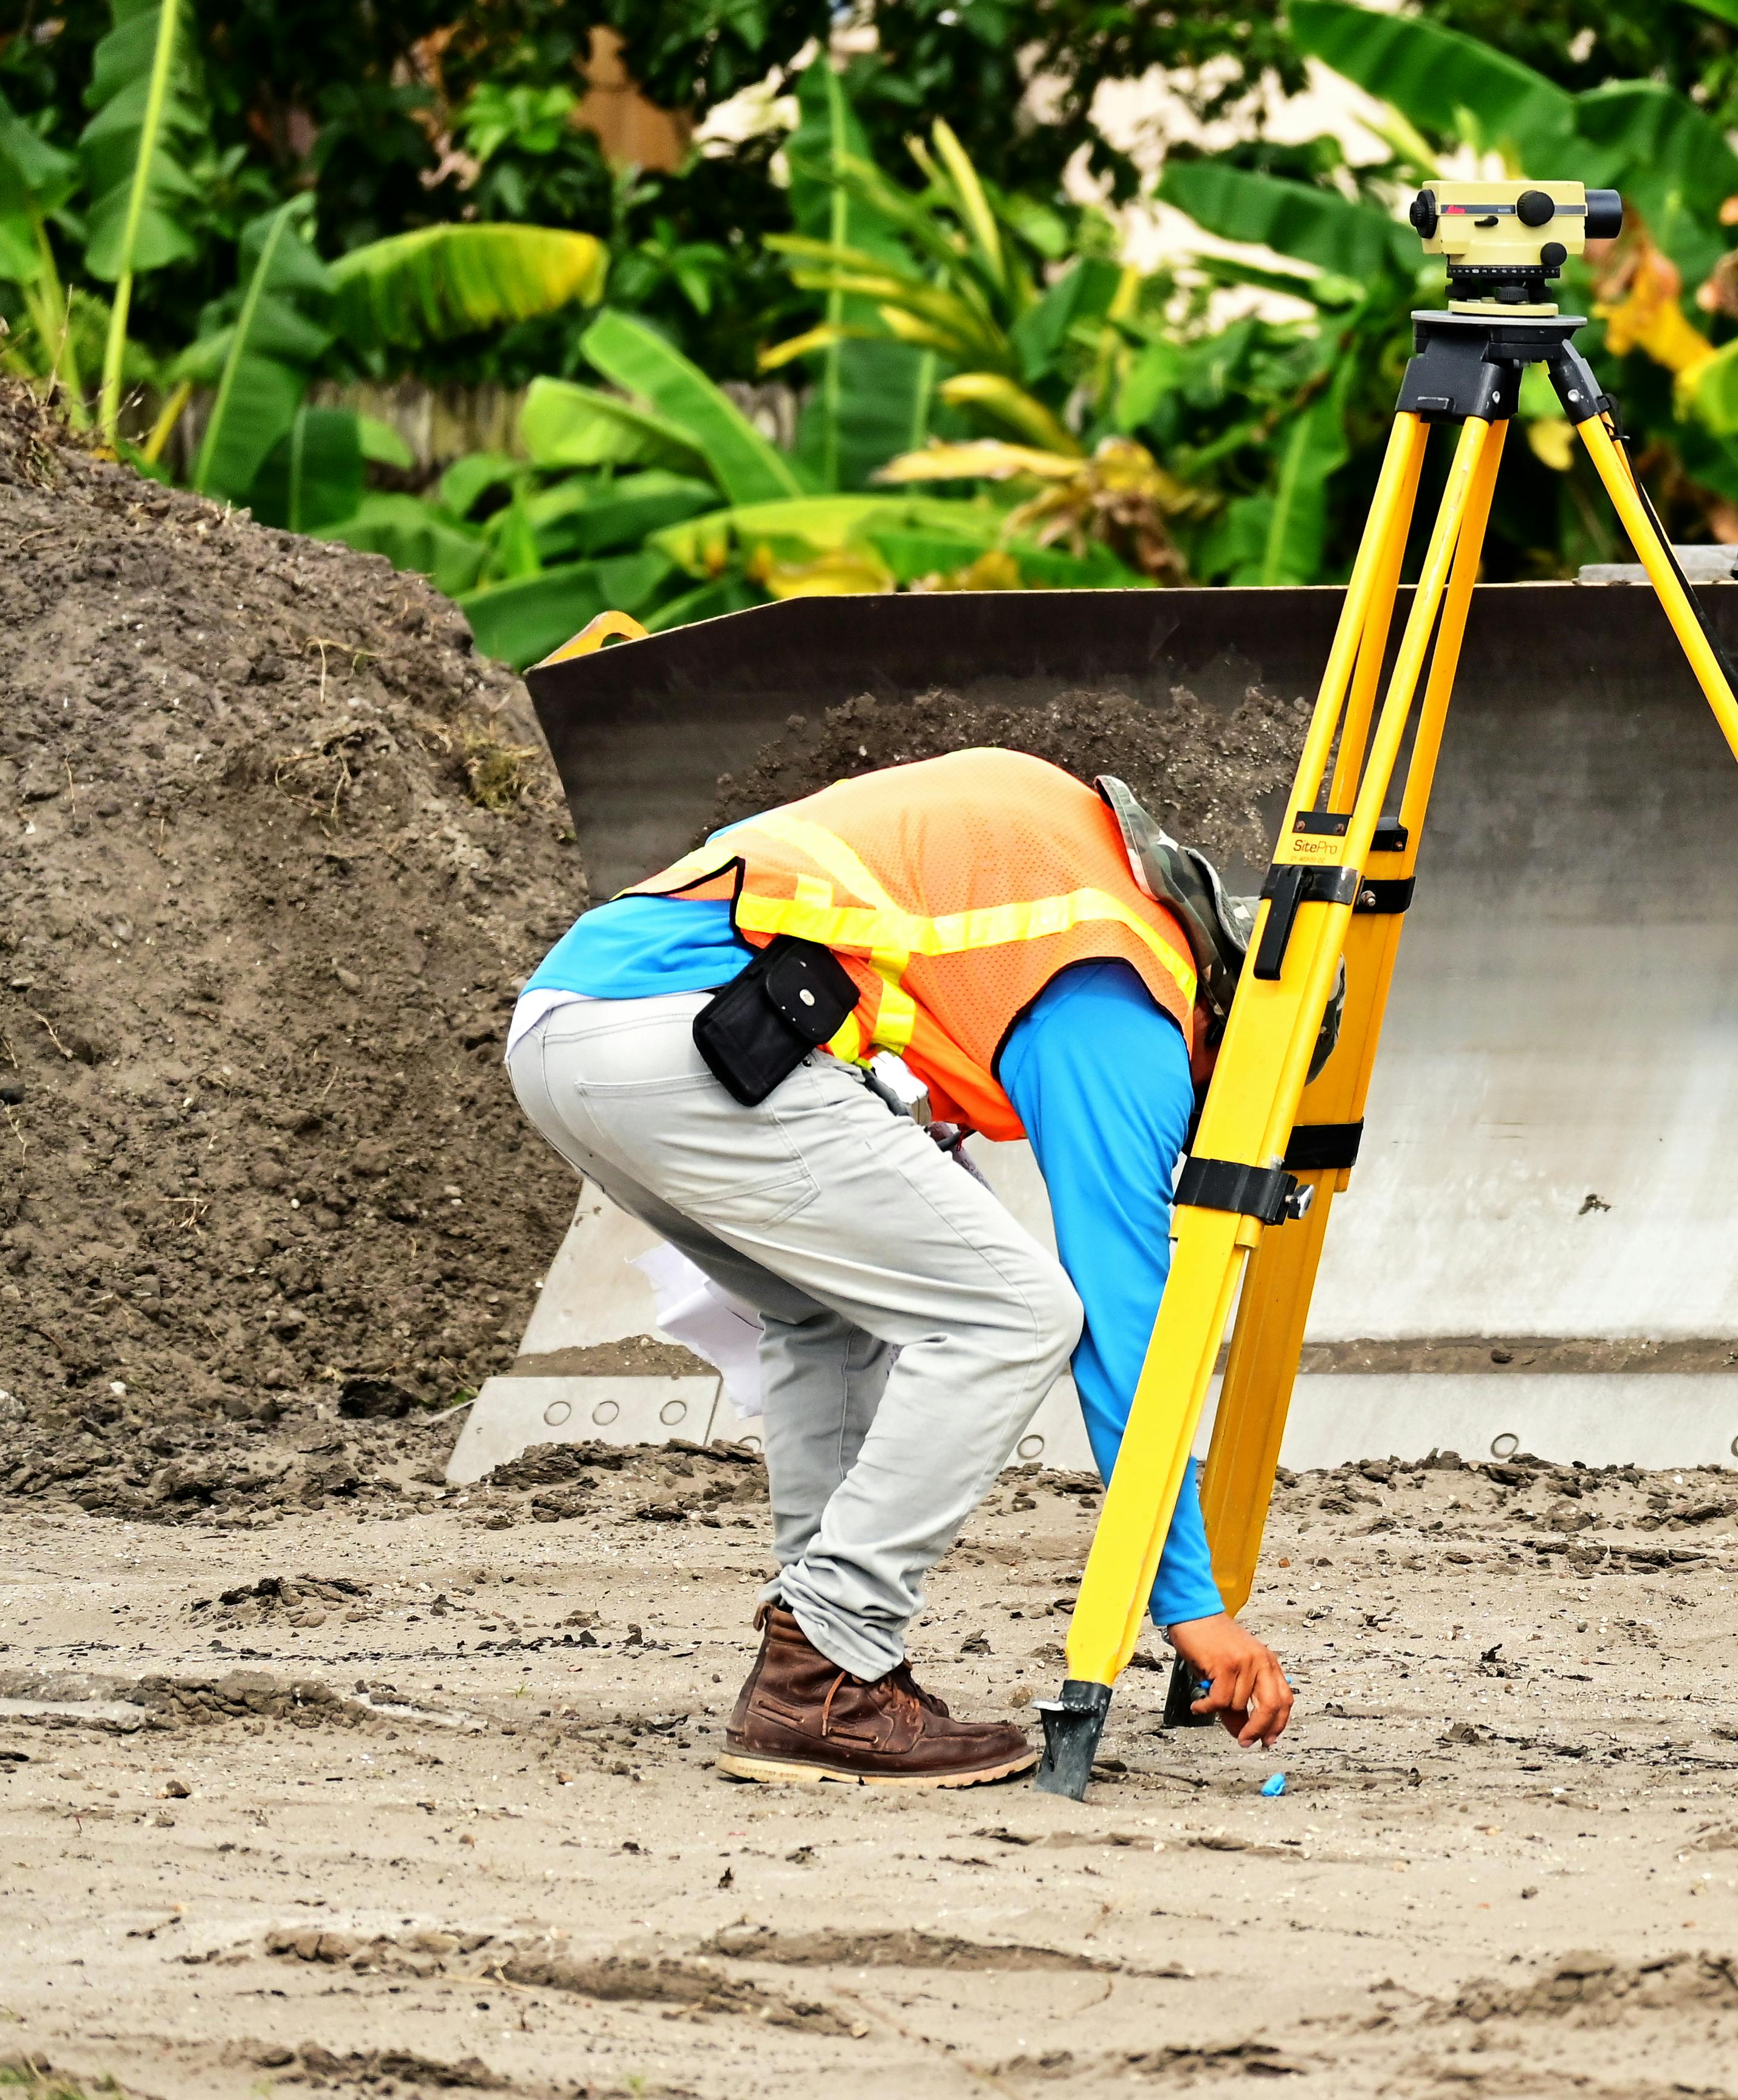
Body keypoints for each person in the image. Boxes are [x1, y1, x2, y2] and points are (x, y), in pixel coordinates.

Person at [504, 746, 1293, 1785]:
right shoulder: (1128, 992)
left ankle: (822, 1671)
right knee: (1012, 1315)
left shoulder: (1073, 865)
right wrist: (1190, 1604)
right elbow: (1122, 1312)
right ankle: (824, 1662)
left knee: (827, 1312)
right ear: (1218, 1039)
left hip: (578, 1030)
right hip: (689, 1032)